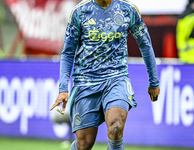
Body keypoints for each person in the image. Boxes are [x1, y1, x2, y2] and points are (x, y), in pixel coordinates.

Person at [50, 0, 160, 149]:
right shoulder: (80, 12)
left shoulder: (128, 10)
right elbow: (68, 52)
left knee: (116, 127)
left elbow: (145, 44)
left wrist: (154, 81)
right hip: (85, 82)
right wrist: (63, 89)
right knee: (84, 144)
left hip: (116, 78)